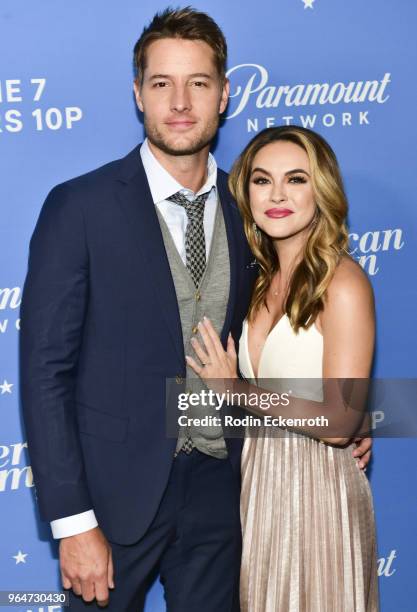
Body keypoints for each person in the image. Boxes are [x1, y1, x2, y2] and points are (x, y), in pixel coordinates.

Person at [19, 6, 372, 611]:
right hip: (114, 498)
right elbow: (45, 372)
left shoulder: (255, 210)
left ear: (225, 94)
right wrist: (72, 521)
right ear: (138, 94)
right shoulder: (80, 207)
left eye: (199, 84)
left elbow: (308, 338)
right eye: (162, 84)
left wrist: (357, 417)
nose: (180, 102)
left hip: (231, 494)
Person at [186, 126, 379, 611]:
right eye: (260, 180)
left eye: (295, 179)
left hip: (319, 493)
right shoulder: (257, 278)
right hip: (258, 483)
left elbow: (338, 423)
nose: (276, 195)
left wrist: (235, 388)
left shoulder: (344, 283)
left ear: (323, 189)